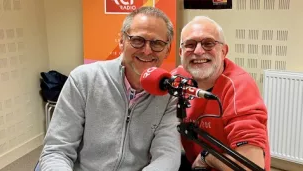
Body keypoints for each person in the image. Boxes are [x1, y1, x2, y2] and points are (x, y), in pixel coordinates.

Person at [38, 6, 181, 171]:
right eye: (137, 40)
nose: (147, 50)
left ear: (167, 49)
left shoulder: (170, 94)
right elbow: (57, 150)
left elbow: (167, 155)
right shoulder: (83, 79)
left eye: (157, 43)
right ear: (121, 41)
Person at [173, 16, 270, 171]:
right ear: (180, 52)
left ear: (224, 51)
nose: (198, 51)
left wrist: (207, 157)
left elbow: (251, 166)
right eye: (190, 45)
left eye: (208, 43)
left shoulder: (239, 87)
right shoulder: (178, 78)